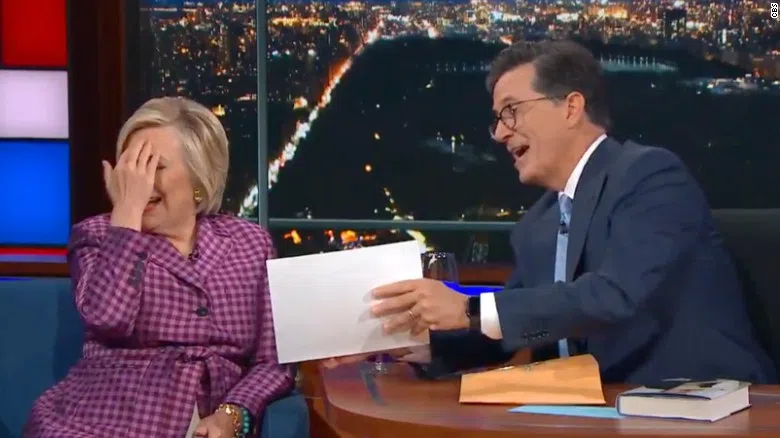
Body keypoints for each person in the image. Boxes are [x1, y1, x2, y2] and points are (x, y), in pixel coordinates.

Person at [328, 40, 776, 384]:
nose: (500, 134)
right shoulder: (538, 224)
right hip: (583, 411)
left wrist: (467, 308)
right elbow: (509, 326)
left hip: (698, 401)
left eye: (511, 112)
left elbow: (614, 296)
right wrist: (419, 344)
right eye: (497, 119)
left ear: (571, 107)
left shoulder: (650, 176)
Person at [24, 97, 294, 437]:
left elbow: (273, 363)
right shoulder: (97, 237)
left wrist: (233, 413)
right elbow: (108, 318)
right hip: (99, 422)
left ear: (198, 177)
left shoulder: (250, 244)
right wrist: (127, 214)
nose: (140, 182)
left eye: (155, 166)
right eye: (132, 166)